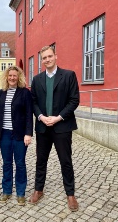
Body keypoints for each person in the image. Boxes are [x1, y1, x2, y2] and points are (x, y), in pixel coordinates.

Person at [28, 45, 80, 212]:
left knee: (66, 161)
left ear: (55, 56)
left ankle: (70, 194)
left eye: (50, 56)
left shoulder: (69, 75)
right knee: (41, 161)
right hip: (43, 127)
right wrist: (42, 117)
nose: (47, 59)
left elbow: (74, 100)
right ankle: (38, 190)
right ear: (42, 60)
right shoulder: (37, 79)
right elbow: (33, 102)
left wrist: (58, 117)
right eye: (44, 58)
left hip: (62, 126)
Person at [0, 66, 33, 206]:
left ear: (19, 77)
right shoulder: (0, 93)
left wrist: (28, 133)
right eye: (10, 75)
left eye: (14, 76)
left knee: (20, 164)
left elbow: (29, 114)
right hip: (4, 134)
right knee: (7, 163)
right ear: (6, 77)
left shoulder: (25, 93)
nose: (12, 78)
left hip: (20, 135)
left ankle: (21, 193)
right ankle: (6, 191)